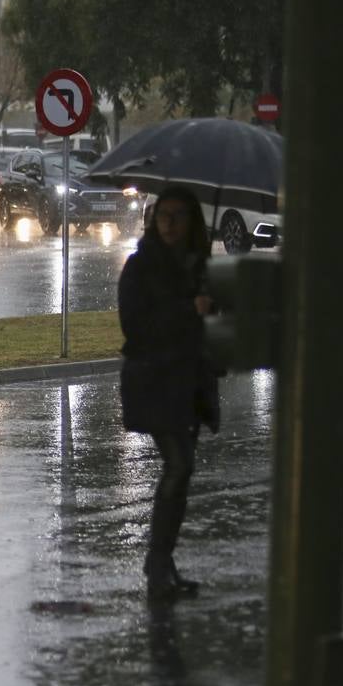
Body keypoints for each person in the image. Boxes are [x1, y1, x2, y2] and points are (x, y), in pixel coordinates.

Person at [118, 185, 219, 601]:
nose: (170, 224)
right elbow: (136, 326)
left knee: (183, 470)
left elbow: (214, 323)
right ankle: (157, 564)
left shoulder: (201, 265)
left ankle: (164, 561)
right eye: (164, 215)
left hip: (191, 382)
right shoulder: (141, 266)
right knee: (178, 466)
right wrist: (188, 310)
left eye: (179, 216)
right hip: (155, 382)